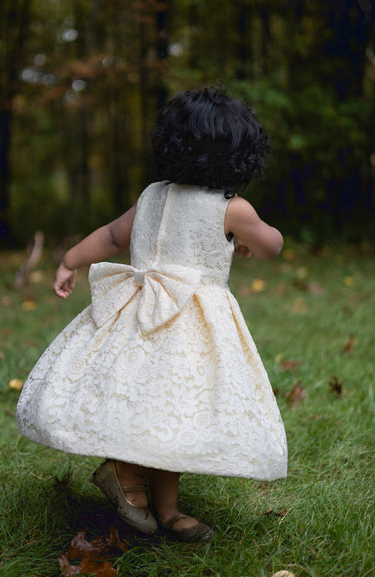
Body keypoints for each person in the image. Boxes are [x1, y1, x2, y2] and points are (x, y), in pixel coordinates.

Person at [16, 87, 287, 543]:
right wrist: (246, 235)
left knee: (151, 405)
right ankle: (128, 477)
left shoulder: (152, 196)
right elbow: (271, 244)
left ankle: (165, 508)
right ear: (241, 153)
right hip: (191, 325)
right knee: (172, 407)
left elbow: (110, 235)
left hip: (135, 313)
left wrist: (70, 260)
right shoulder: (232, 208)